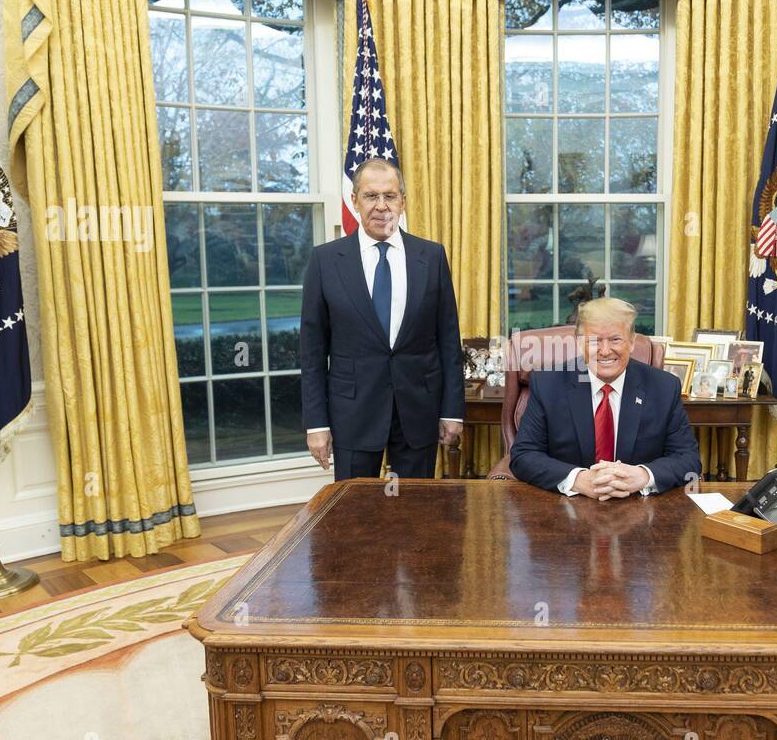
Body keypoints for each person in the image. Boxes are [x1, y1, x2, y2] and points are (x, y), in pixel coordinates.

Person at [299, 159, 464, 479]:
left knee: (415, 512)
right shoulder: (325, 261)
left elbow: (448, 341)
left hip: (418, 409)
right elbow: (313, 353)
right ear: (355, 201)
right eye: (371, 196)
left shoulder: (431, 257)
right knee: (354, 516)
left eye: (389, 196)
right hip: (352, 412)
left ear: (403, 201)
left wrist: (452, 411)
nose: (380, 206)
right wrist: (317, 424)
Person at [509, 297, 700, 499]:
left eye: (615, 339)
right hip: (566, 510)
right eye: (594, 341)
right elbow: (524, 455)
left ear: (632, 342)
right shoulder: (548, 384)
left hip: (640, 509)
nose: (605, 351)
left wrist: (643, 476)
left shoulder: (664, 387)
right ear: (579, 343)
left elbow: (687, 459)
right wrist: (577, 479)